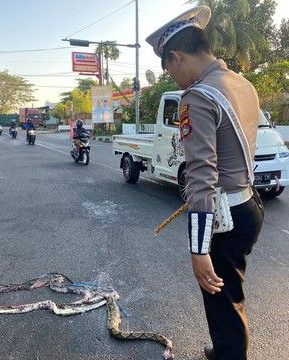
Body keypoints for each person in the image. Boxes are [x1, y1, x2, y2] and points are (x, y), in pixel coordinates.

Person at [146, 5, 264, 360]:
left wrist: (198, 251)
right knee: (230, 293)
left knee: (221, 298)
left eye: (167, 68)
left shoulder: (197, 96)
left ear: (177, 57)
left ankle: (230, 353)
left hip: (224, 218)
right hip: (249, 205)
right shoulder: (241, 84)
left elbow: (201, 177)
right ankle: (226, 348)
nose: (171, 76)